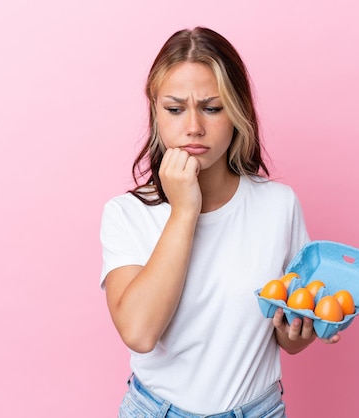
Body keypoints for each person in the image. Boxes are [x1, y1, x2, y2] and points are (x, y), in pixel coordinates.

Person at [100, 26, 339, 418]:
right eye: (175, 109)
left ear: (238, 111)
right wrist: (183, 210)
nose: (193, 126)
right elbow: (140, 334)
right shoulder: (126, 214)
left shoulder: (278, 205)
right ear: (155, 112)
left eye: (212, 108)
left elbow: (287, 339)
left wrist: (302, 327)